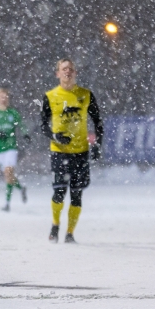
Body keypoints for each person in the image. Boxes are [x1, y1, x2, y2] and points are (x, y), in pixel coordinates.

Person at [40, 58, 103, 244]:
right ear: (57, 73)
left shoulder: (86, 95)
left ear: (75, 73)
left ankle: (69, 233)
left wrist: (98, 145)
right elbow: (42, 126)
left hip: (80, 152)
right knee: (59, 192)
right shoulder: (50, 96)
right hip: (59, 152)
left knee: (77, 194)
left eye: (71, 69)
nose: (68, 72)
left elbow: (98, 121)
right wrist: (55, 136)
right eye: (64, 69)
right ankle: (55, 224)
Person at [0, 88, 30, 212]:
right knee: (9, 177)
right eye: (1, 97)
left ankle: (7, 203)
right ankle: (21, 188)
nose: (3, 99)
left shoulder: (13, 113)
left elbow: (22, 125)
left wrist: (26, 134)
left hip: (11, 147)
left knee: (8, 173)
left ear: (8, 99)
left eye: (6, 97)